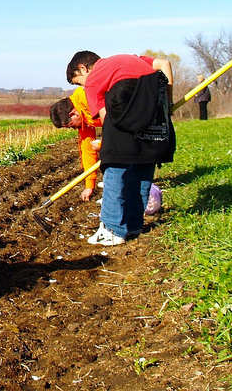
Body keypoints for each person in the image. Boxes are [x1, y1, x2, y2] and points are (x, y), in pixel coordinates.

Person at [66, 50, 176, 246]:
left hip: (125, 104)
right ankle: (134, 225)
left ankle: (112, 229)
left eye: (78, 82)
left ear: (83, 68)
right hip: (155, 114)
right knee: (143, 163)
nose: (82, 87)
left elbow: (105, 115)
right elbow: (164, 64)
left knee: (115, 167)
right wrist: (168, 104)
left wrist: (109, 144)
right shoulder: (133, 58)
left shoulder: (94, 78)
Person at [49, 88, 101, 201]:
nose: (74, 128)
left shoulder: (90, 98)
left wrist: (105, 144)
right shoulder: (83, 117)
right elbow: (88, 150)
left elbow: (118, 120)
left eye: (71, 125)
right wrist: (89, 185)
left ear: (73, 113)